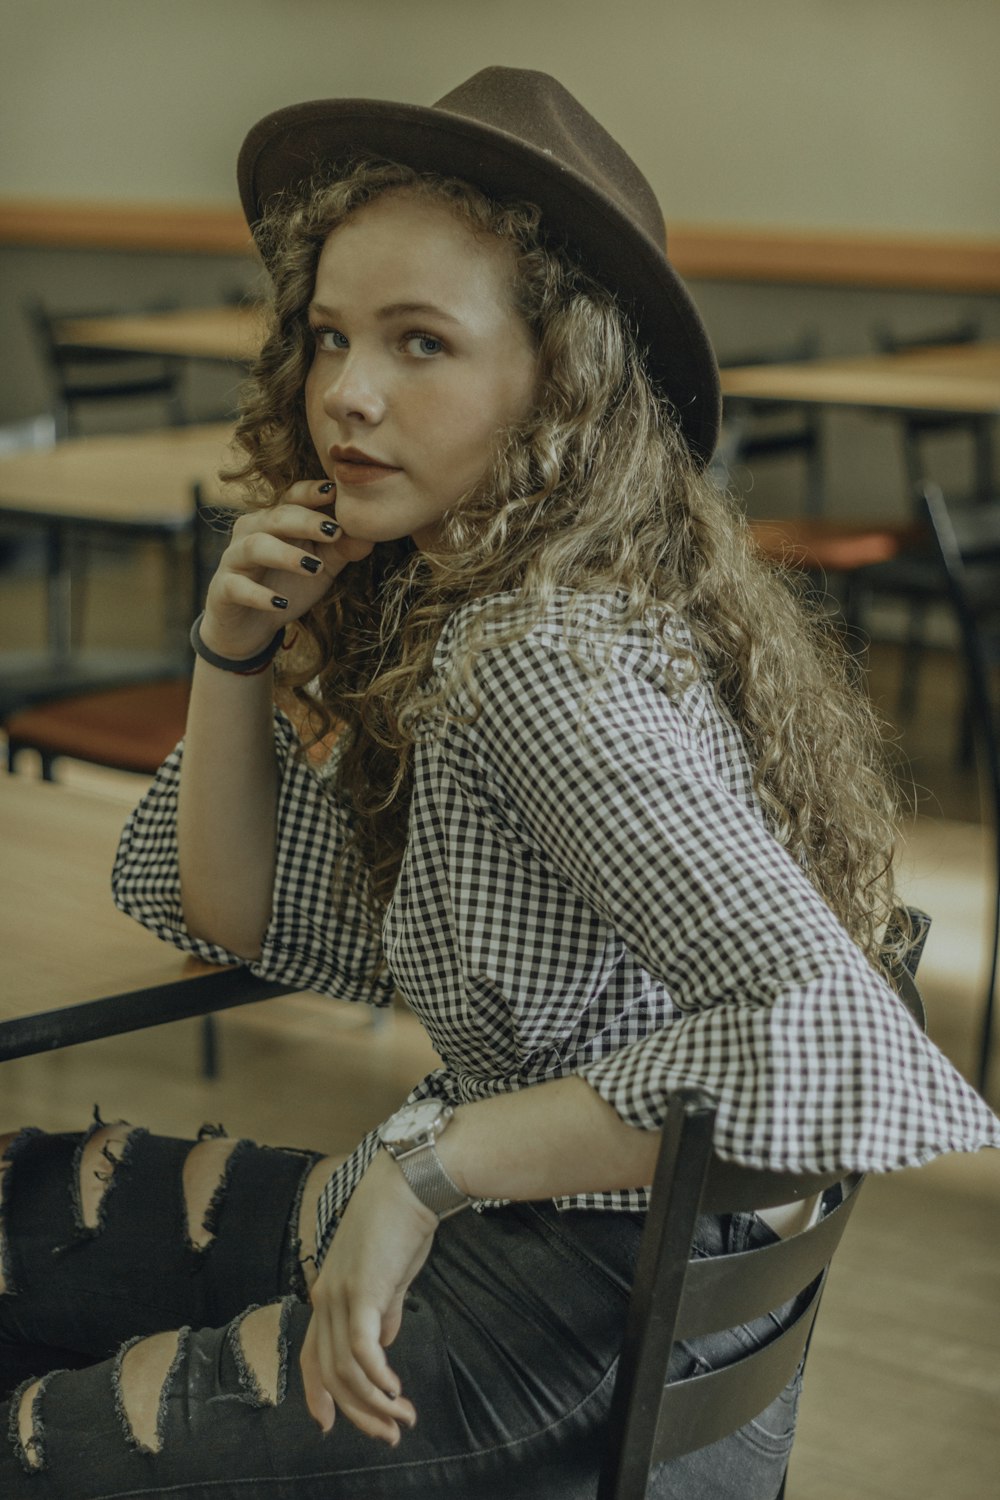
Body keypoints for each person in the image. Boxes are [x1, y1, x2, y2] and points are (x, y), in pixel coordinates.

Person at [1, 66, 997, 1500]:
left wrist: (425, 1173)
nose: (346, 393)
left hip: (564, 1306)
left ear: (560, 382)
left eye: (422, 344)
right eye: (331, 337)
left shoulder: (531, 663)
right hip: (614, 1278)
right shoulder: (523, 600)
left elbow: (827, 1035)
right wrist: (232, 653)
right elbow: (232, 906)